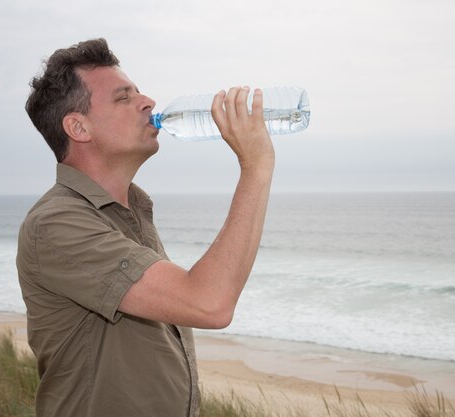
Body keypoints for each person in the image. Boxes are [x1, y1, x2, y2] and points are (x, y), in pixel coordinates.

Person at [16, 38, 275, 417]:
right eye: (123, 98)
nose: (148, 102)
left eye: (138, 92)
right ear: (78, 127)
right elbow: (210, 303)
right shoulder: (56, 224)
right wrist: (256, 166)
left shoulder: (131, 210)